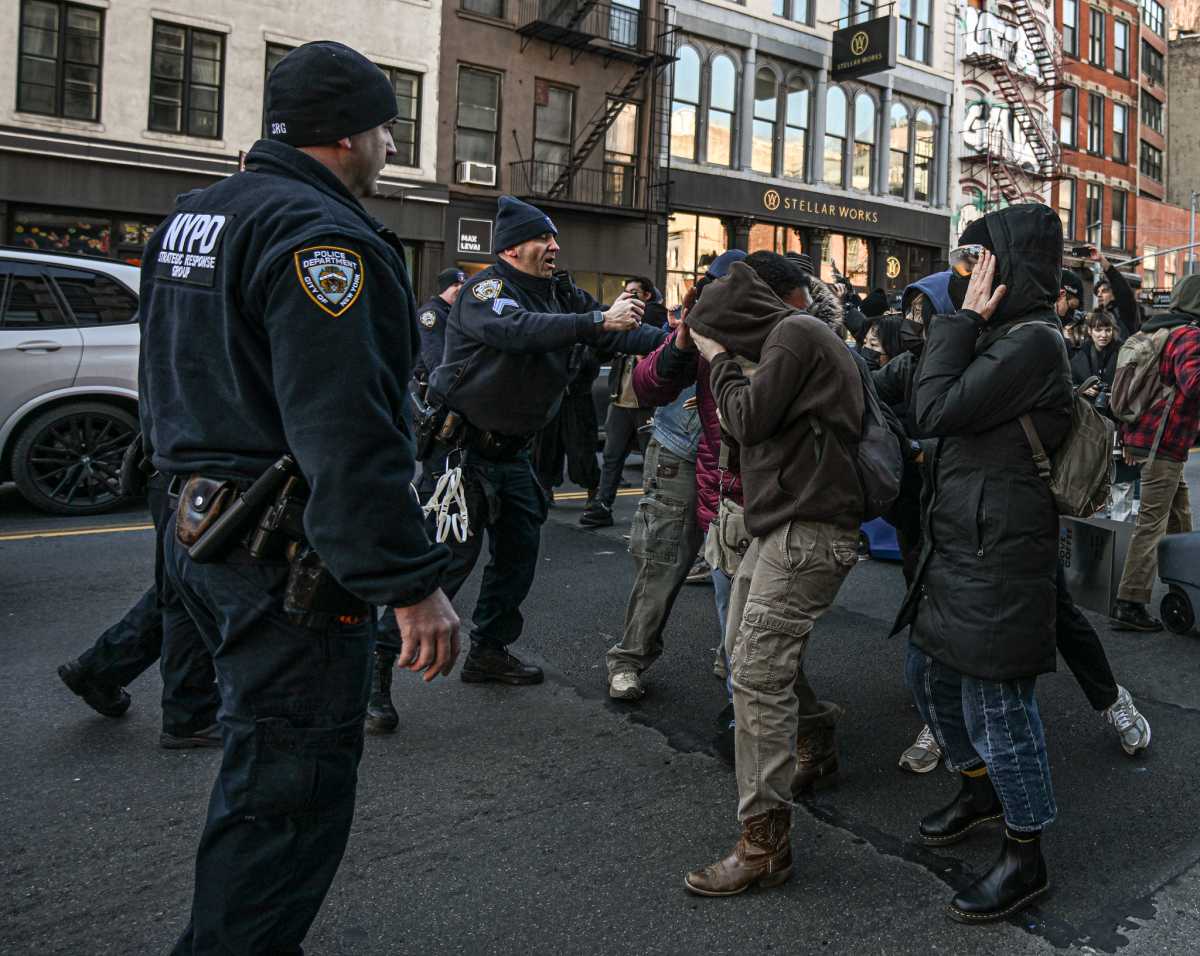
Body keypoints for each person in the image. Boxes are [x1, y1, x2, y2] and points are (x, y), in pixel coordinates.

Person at [139, 42, 459, 953]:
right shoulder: (323, 237)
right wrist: (410, 583)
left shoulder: (198, 213)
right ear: (354, 134)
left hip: (195, 523)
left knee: (257, 773)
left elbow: (164, 372)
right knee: (287, 795)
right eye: (389, 128)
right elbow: (348, 431)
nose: (391, 146)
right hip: (275, 548)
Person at [375, 194, 665, 690]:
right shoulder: (487, 289)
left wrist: (678, 341)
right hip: (461, 454)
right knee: (445, 562)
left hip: (514, 454)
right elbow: (517, 331)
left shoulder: (561, 294)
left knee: (518, 557)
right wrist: (598, 321)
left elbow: (617, 337)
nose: (554, 246)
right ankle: (375, 678)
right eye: (542, 238)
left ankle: (489, 652)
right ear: (511, 249)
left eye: (553, 237)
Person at [894, 205, 1073, 923]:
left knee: (1001, 709)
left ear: (1014, 265)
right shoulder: (1001, 337)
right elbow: (920, 396)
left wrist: (959, 320)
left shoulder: (1033, 342)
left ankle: (1026, 855)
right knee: (932, 681)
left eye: (982, 257)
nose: (969, 271)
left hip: (1000, 554)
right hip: (961, 546)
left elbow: (934, 408)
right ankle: (978, 789)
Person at [679, 254, 864, 897]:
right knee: (746, 659)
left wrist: (719, 359)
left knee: (755, 676)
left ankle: (764, 846)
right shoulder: (791, 338)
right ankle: (814, 741)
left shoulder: (795, 332)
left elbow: (746, 419)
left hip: (809, 530)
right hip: (787, 525)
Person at [57, 469, 220, 749]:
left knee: (179, 585)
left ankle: (102, 669)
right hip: (202, 478)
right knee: (190, 591)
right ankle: (191, 714)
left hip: (180, 474)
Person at [1110, 274, 1200, 631]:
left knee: (1180, 514)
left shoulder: (1158, 330)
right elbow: (1194, 384)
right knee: (1152, 522)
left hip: (1156, 443)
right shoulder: (1190, 336)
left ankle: (1186, 582)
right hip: (1164, 445)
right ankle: (1129, 602)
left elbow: (1142, 397)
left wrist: (1130, 441)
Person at [604, 384, 703, 698]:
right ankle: (628, 658)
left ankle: (738, 660)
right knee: (663, 560)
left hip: (743, 454)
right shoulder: (687, 336)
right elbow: (652, 376)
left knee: (740, 569)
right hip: (683, 447)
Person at [581, 276, 669, 528]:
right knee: (611, 456)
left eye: (634, 292)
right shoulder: (623, 318)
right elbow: (602, 349)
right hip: (621, 399)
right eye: (626, 292)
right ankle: (603, 505)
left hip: (646, 403)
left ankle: (654, 512)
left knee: (653, 461)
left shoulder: (653, 316)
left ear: (648, 295)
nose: (629, 297)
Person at [413, 267, 466, 391]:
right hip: (431, 389)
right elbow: (434, 357)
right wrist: (449, 385)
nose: (460, 288)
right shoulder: (431, 313)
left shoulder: (453, 312)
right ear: (444, 288)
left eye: (463, 284)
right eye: (455, 284)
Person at [1085, 243, 1141, 339]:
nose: (1099, 295)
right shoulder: (1096, 317)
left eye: (1104, 291)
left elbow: (1121, 286)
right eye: (1098, 292)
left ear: (1115, 294)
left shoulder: (1125, 312)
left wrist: (1102, 260)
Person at [1069, 312, 1121, 394]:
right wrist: (1082, 389)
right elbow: (1070, 383)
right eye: (1098, 330)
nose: (1103, 335)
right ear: (1090, 331)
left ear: (1112, 331)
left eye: (1108, 330)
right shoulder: (1080, 355)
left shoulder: (1121, 353)